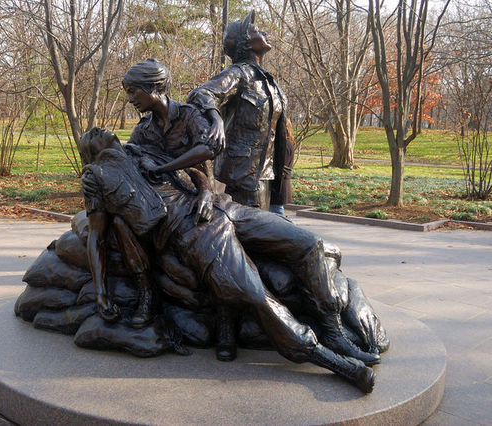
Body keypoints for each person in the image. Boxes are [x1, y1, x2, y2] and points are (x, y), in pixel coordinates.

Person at [78, 127, 378, 393]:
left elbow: (195, 171)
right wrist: (101, 292)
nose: (99, 128)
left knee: (309, 244)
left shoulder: (140, 149)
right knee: (255, 295)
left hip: (225, 208)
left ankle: (333, 330)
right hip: (192, 230)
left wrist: (206, 193)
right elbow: (97, 236)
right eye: (93, 133)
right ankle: (337, 364)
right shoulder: (96, 177)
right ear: (92, 150)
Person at [187, 10, 287, 212]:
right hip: (241, 177)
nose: (264, 32)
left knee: (262, 236)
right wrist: (216, 119)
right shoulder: (238, 74)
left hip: (266, 175)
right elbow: (201, 93)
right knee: (249, 236)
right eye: (257, 30)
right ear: (247, 42)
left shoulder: (268, 81)